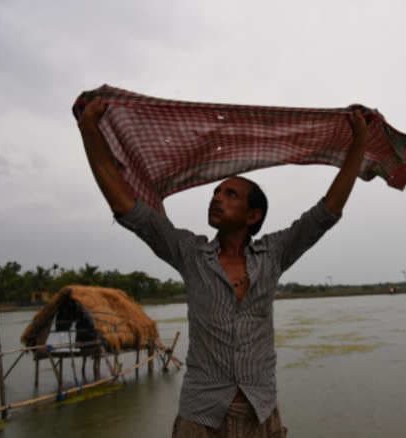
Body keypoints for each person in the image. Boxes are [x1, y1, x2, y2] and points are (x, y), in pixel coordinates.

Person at [78, 97, 369, 437]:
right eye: (216, 192)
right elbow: (125, 206)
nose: (216, 198)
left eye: (230, 194)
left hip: (260, 411)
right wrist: (89, 130)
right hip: (202, 415)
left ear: (253, 215)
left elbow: (327, 212)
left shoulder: (274, 254)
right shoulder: (190, 252)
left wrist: (358, 142)